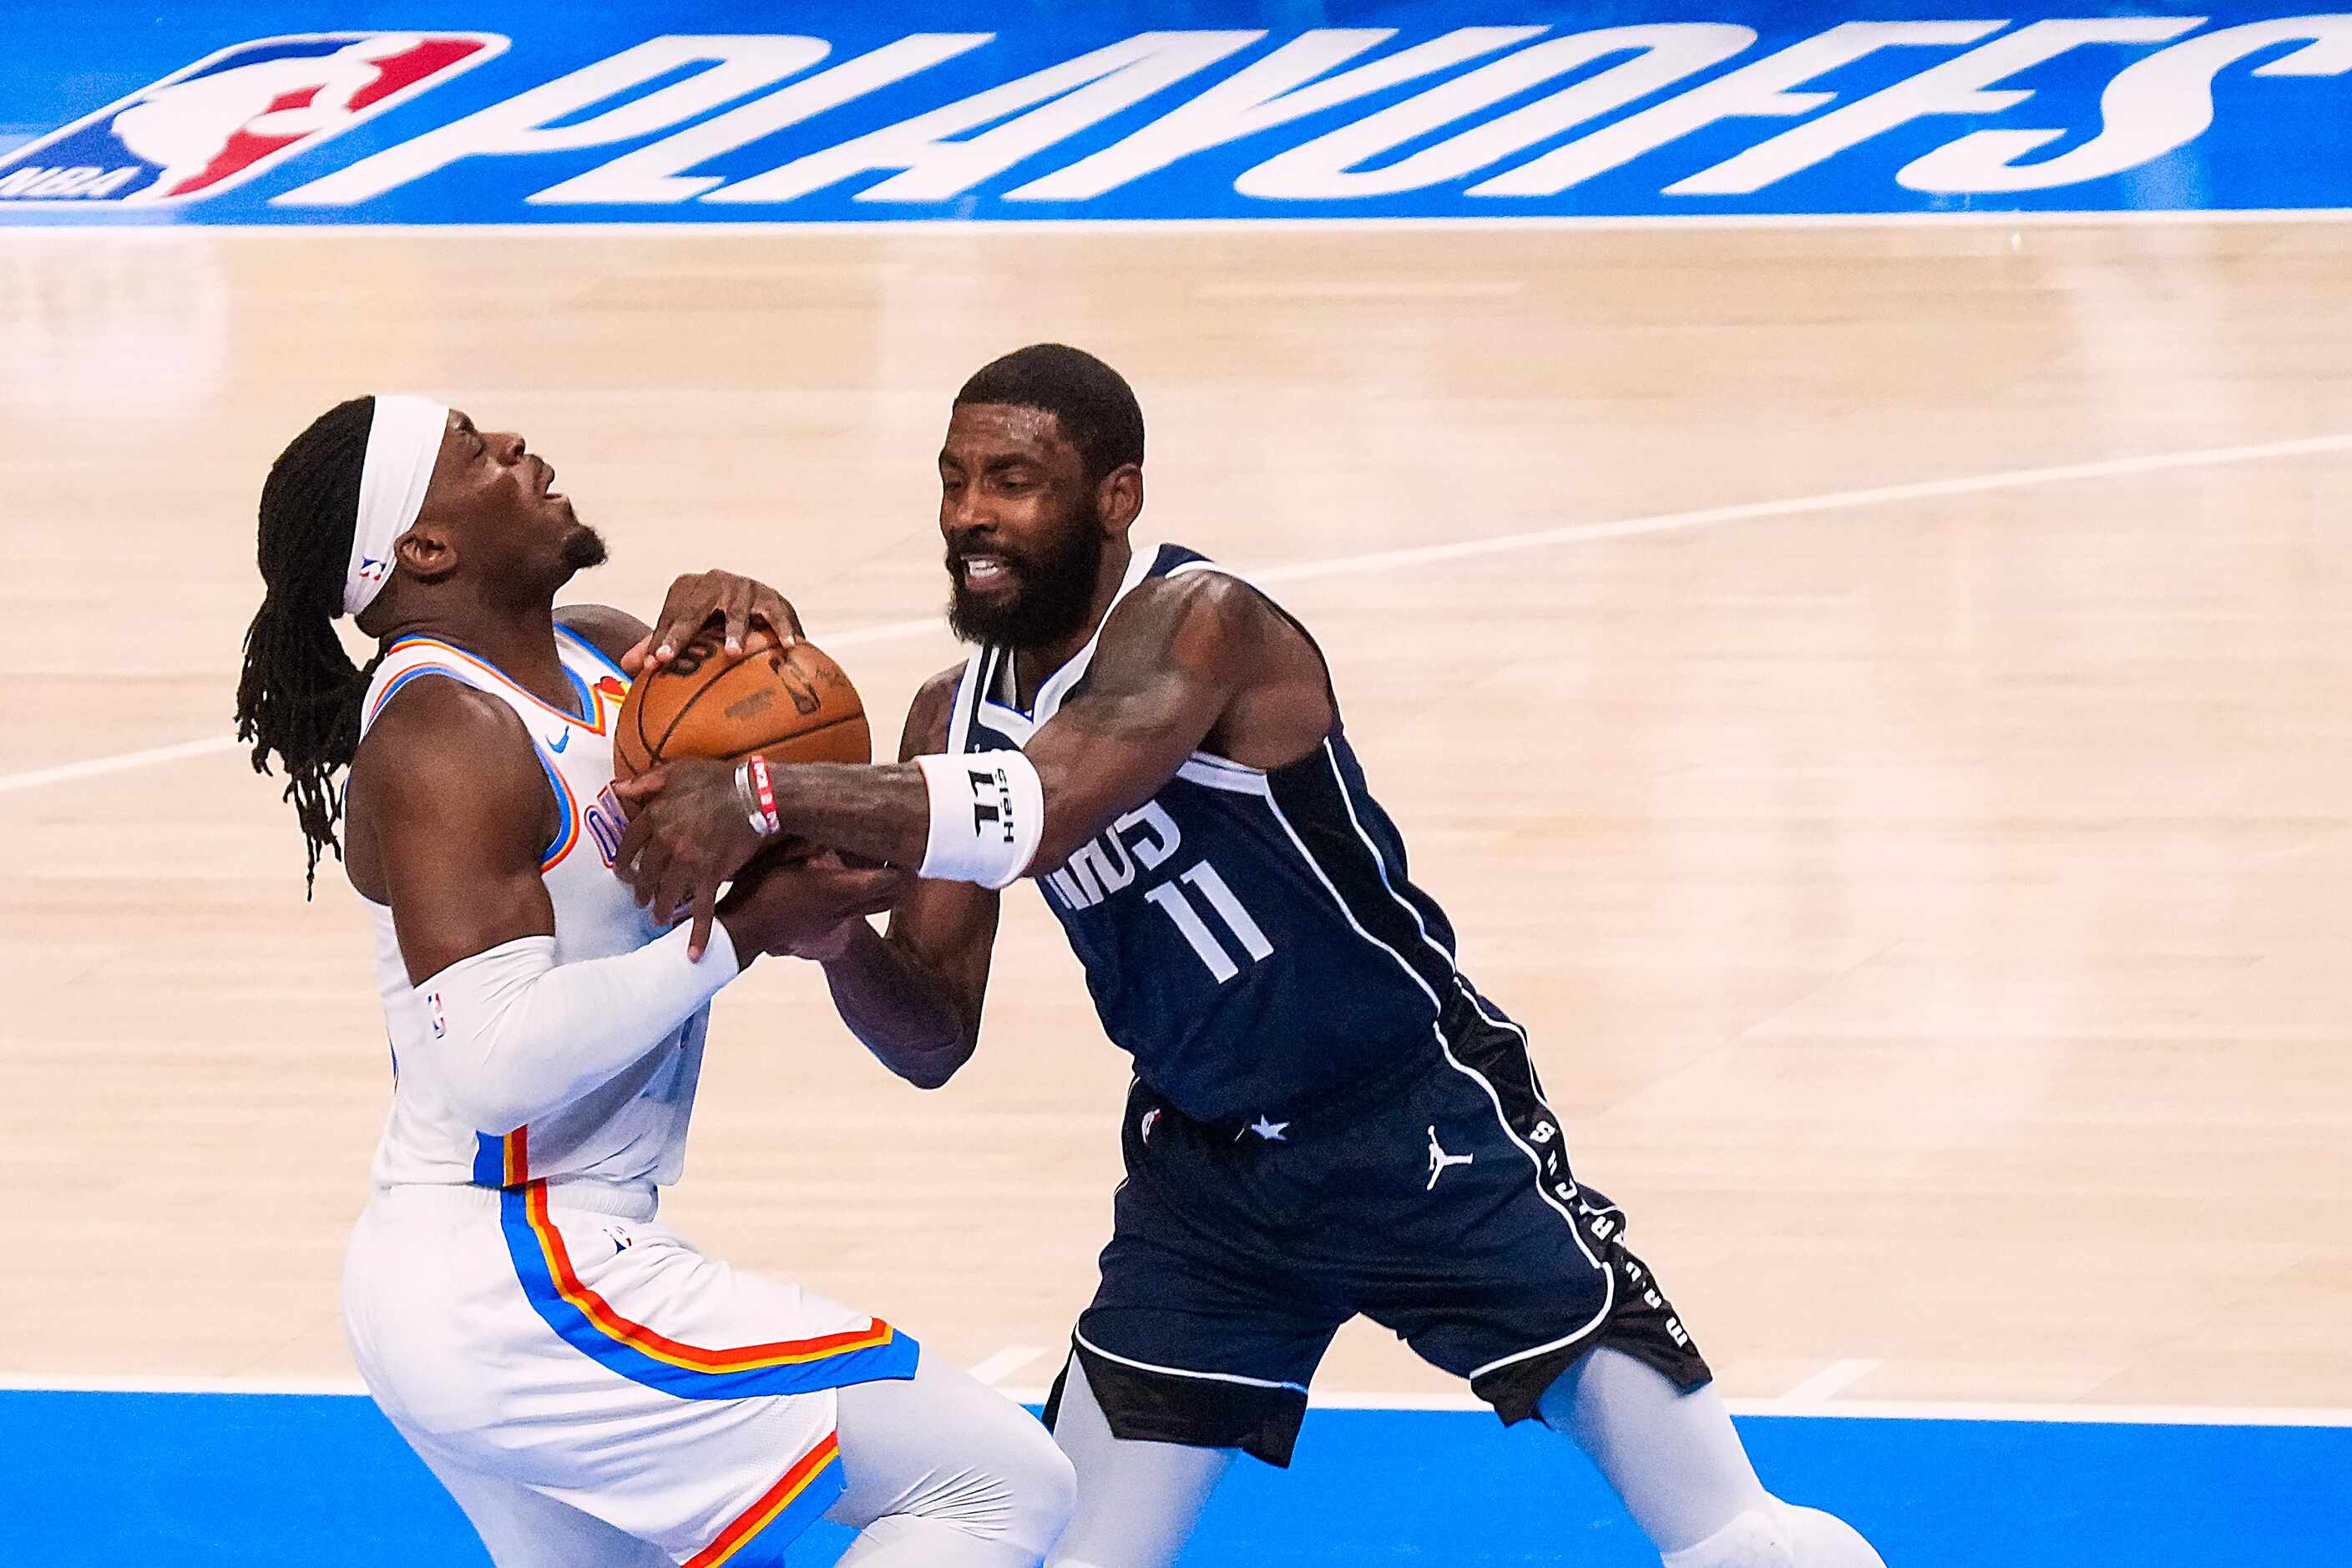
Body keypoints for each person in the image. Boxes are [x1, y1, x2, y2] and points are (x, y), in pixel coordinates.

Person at [613, 346, 1891, 1568]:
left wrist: (772, 795)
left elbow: (1044, 805)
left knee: (1730, 1533)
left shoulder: (1204, 622)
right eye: (953, 479)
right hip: (1210, 1184)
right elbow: (934, 1036)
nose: (969, 514)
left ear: (1115, 497)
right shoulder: (953, 712)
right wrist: (825, 932)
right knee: (1070, 1545)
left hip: (1410, 1126)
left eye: (1012, 480)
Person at [234, 393, 1075, 1568]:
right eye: (474, 453)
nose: (517, 446)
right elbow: (493, 1064)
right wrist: (742, 930)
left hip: (491, 1278)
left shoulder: (597, 652)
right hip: (513, 1271)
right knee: (997, 1485)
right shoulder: (443, 733)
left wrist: (730, 624)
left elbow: (766, 807)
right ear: (424, 550)